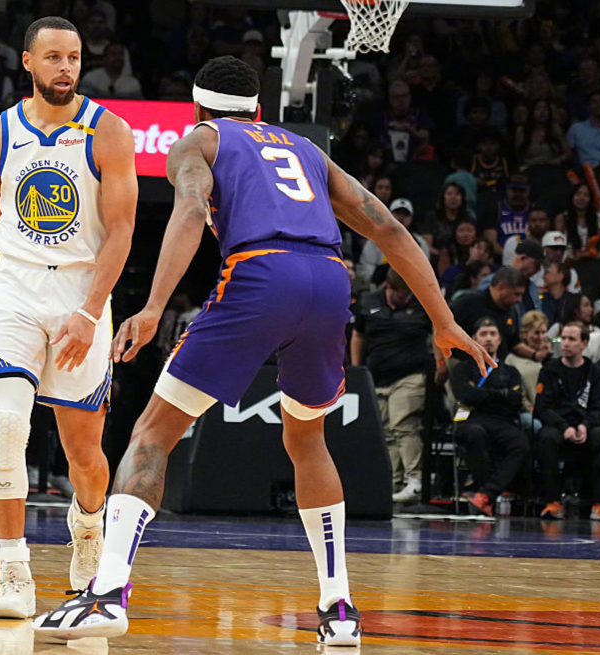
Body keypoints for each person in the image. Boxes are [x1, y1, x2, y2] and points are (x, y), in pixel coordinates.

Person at [30, 55, 491, 644]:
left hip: (261, 274)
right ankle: (339, 609)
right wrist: (443, 321)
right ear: (258, 109)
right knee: (308, 439)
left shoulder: (199, 141)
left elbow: (190, 210)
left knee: (153, 433)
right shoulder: (306, 149)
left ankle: (106, 595)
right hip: (330, 280)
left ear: (199, 108)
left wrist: (152, 307)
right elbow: (389, 229)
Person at [0, 16, 140, 621]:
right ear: (28, 62)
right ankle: (13, 571)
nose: (66, 67)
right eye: (54, 57)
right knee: (9, 426)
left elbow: (122, 230)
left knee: (84, 455)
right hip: (12, 286)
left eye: (74, 57)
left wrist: (90, 311)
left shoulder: (109, 131)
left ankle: (87, 526)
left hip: (81, 292)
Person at [350, 269, 431, 503]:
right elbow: (358, 336)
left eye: (409, 294)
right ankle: (392, 482)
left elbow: (438, 331)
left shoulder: (422, 303)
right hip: (377, 377)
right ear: (389, 288)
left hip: (410, 375)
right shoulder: (369, 302)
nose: (407, 298)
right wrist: (356, 369)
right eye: (403, 294)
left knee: (403, 425)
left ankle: (415, 480)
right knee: (385, 431)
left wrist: (439, 364)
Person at [451, 318, 530, 517]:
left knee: (521, 443)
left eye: (493, 334)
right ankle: (486, 493)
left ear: (500, 340)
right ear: (473, 339)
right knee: (476, 434)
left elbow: (516, 400)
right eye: (483, 334)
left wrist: (483, 395)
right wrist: (501, 394)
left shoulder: (510, 371)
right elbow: (465, 395)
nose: (488, 339)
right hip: (472, 419)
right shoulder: (462, 369)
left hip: (502, 421)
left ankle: (485, 494)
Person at [535, 322, 600, 521]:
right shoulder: (550, 369)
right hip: (558, 425)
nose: (565, 343)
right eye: (563, 338)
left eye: (572, 339)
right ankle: (553, 502)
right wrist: (564, 427)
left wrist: (585, 425)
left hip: (585, 425)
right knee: (546, 437)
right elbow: (542, 407)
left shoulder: (595, 373)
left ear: (584, 343)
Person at [355, 198, 427, 288]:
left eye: (405, 215)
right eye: (397, 213)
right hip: (377, 286)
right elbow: (366, 268)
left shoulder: (420, 243)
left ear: (411, 218)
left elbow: (425, 273)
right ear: (389, 215)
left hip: (410, 287)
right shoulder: (375, 240)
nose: (401, 218)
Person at [505, 309, 549, 433]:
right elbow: (515, 391)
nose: (540, 337)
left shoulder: (552, 355)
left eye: (543, 332)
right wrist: (529, 407)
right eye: (536, 333)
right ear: (524, 334)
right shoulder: (512, 359)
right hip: (525, 411)